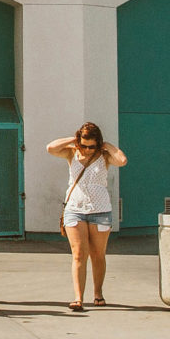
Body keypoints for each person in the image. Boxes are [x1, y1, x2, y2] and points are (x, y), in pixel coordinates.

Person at [46, 122, 127, 311]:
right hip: (75, 209)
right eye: (84, 145)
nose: (88, 150)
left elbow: (122, 161)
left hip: (100, 211)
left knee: (98, 255)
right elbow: (50, 148)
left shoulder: (104, 156)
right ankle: (78, 297)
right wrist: (73, 141)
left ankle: (98, 293)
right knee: (79, 254)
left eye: (92, 146)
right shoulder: (71, 153)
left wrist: (107, 146)